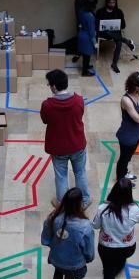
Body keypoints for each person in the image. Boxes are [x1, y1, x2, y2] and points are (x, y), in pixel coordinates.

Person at [41, 187, 95, 279]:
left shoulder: (53, 218)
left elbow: (45, 240)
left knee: (57, 276)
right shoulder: (85, 226)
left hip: (57, 258)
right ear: (79, 204)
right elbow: (89, 251)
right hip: (74, 263)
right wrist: (88, 258)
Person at [40, 69, 91, 207]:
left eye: (49, 84)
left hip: (58, 148)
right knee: (80, 172)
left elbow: (45, 120)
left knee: (61, 176)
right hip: (77, 145)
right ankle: (85, 200)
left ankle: (62, 205)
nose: (49, 87)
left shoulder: (47, 105)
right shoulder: (79, 101)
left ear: (54, 86)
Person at [91, 178, 139, 279]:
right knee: (120, 260)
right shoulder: (134, 210)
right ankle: (118, 268)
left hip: (107, 248)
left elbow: (95, 226)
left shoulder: (103, 209)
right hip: (127, 247)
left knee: (108, 271)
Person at [115, 72, 139, 184]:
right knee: (123, 159)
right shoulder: (126, 100)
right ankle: (120, 180)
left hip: (136, 134)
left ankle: (124, 173)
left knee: (128, 157)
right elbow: (138, 118)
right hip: (127, 137)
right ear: (137, 87)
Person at [95, 0, 136, 73]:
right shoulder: (100, 11)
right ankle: (127, 41)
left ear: (116, 3)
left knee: (119, 42)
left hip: (116, 33)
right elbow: (96, 25)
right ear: (107, 3)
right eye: (110, 2)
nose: (112, 4)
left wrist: (117, 25)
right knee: (108, 32)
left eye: (113, 2)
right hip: (103, 33)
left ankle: (114, 64)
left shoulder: (119, 12)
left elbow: (123, 25)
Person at [76, 0, 98, 76]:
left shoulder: (81, 11)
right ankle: (84, 72)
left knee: (85, 55)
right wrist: (95, 42)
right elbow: (92, 32)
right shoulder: (90, 16)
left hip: (81, 34)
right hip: (87, 38)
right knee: (87, 55)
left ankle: (87, 66)